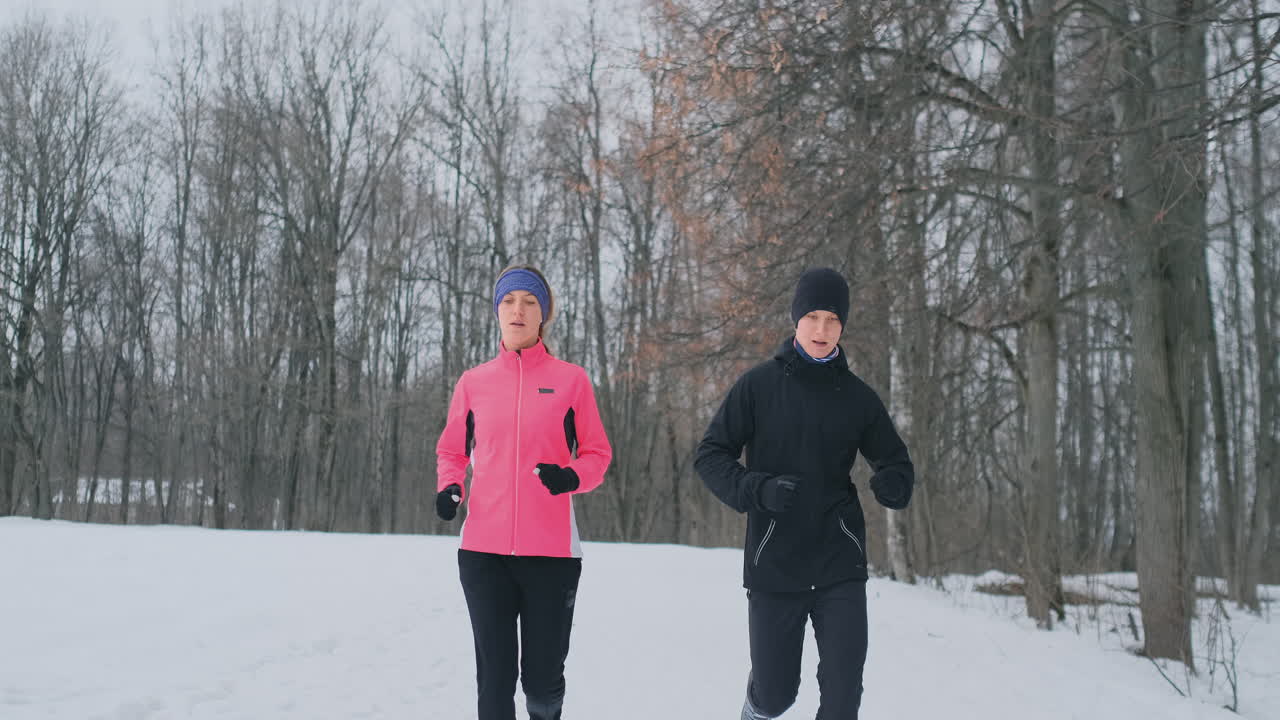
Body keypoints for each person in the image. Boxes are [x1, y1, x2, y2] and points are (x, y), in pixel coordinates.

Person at [695, 267, 914, 720]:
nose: (822, 329)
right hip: (775, 562)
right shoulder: (758, 387)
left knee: (842, 696)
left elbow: (896, 463)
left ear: (843, 326)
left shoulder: (858, 398)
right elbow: (710, 455)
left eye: (833, 319)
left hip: (840, 562)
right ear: (796, 319)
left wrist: (893, 483)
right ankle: (755, 708)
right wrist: (757, 490)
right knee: (776, 695)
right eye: (812, 316)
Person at [435, 265, 612, 720]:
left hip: (551, 555)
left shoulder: (571, 381)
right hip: (482, 553)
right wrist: (450, 487)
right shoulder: (473, 383)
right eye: (509, 301)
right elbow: (452, 451)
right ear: (497, 311)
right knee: (494, 681)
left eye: (529, 302)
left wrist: (571, 477)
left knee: (541, 683)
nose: (518, 309)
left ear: (543, 314)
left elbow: (596, 453)